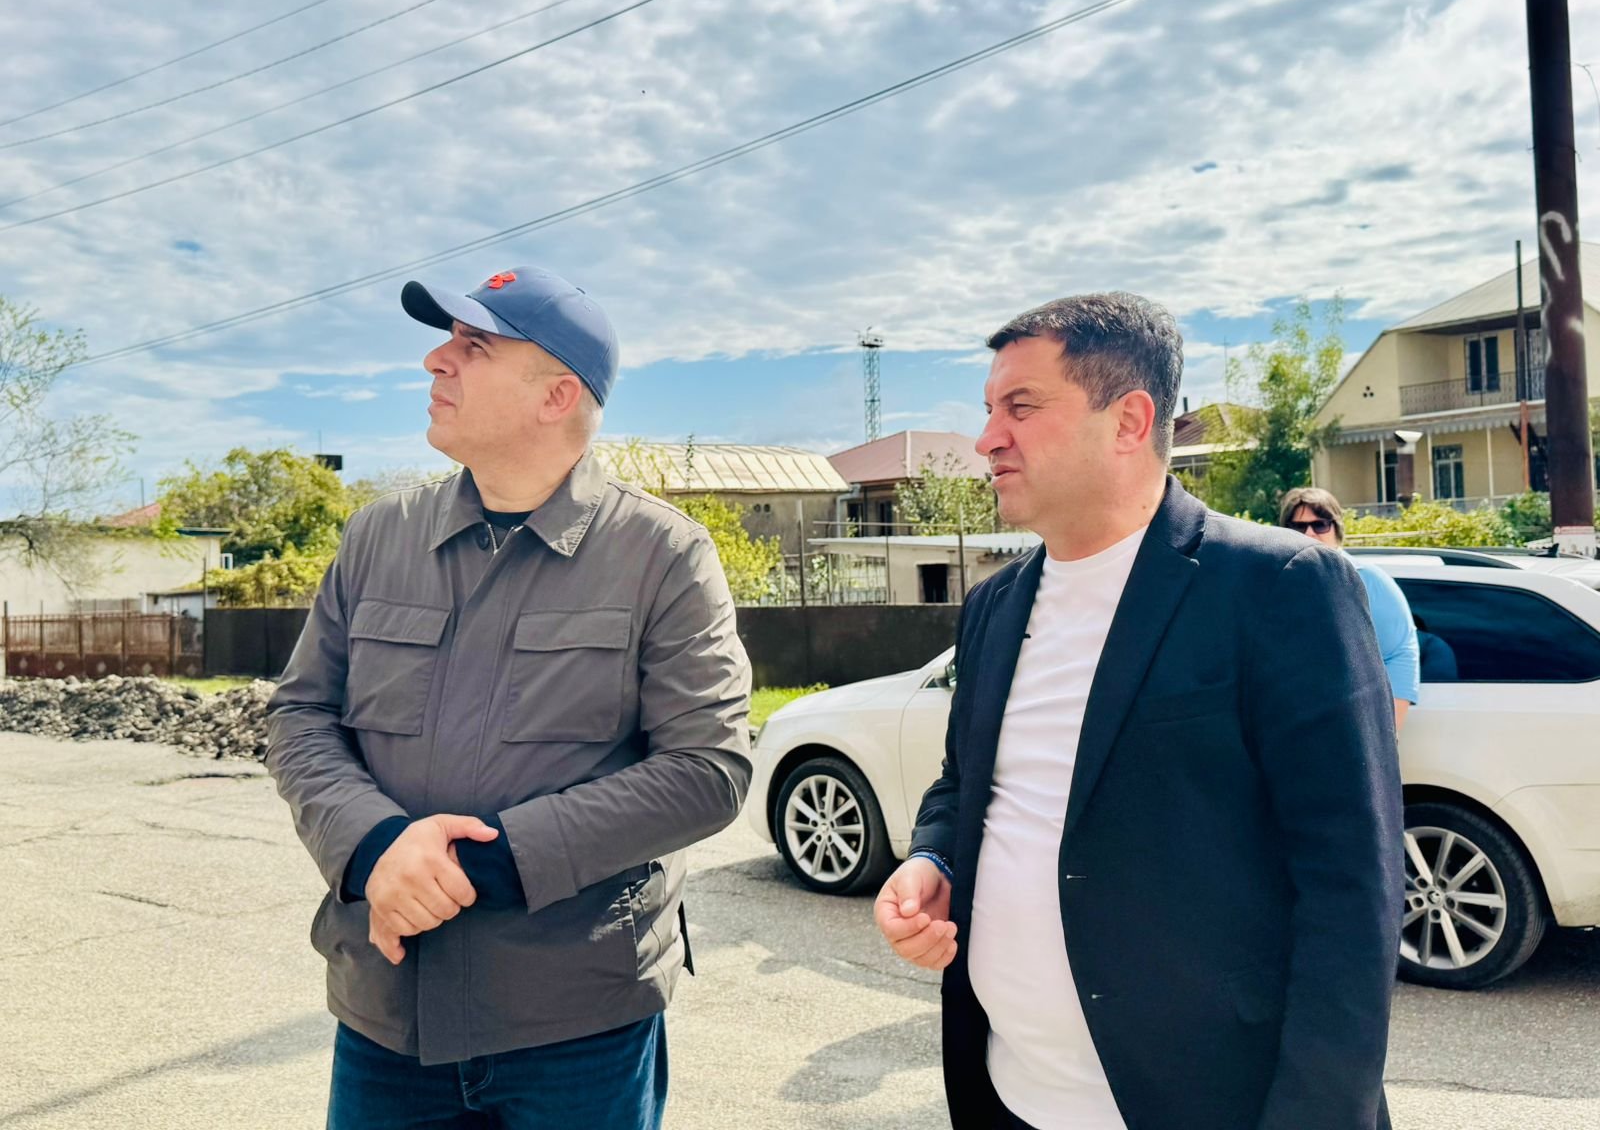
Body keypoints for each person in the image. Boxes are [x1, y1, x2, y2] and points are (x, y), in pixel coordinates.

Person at [873, 293, 1403, 1130]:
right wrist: (933, 860)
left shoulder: (1279, 587)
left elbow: (1352, 889)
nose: (987, 439)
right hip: (1008, 1097)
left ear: (1128, 421)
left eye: (1021, 407)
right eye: (988, 410)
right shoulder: (993, 607)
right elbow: (962, 785)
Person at [266, 264, 752, 1130]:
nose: (436, 361)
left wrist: (474, 867)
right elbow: (302, 716)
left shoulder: (662, 555)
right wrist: (377, 849)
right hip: (387, 1016)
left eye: (474, 347)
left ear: (556, 395)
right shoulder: (378, 537)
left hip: (576, 1030)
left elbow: (707, 770)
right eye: (447, 343)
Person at [1279, 487, 1420, 730]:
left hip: (1353, 727)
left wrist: (1387, 732)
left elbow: (1400, 655)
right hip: (1293, 725)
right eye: (1298, 527)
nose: (1309, 533)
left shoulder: (1369, 581)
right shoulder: (1277, 585)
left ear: (1337, 529)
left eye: (1320, 525)